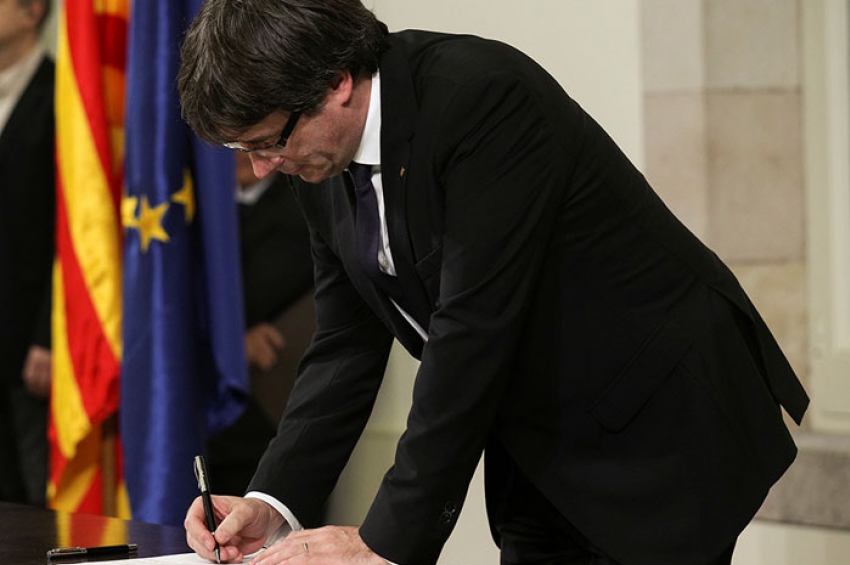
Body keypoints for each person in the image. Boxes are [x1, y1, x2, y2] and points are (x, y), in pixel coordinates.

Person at [177, 1, 810, 564]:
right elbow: (345, 341)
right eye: (244, 150)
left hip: (657, 421)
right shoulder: (316, 157)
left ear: (336, 83)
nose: (263, 167)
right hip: (538, 434)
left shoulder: (480, 96)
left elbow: (472, 327)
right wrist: (274, 500)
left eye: (268, 142)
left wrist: (384, 541)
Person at [206, 152, 314, 497]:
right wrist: (227, 343)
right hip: (201, 405)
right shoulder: (193, 206)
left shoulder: (307, 203)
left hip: (275, 396)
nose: (239, 154)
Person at [0, 0, 54, 507]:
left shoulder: (61, 98)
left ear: (31, 12)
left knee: (36, 496)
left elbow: (75, 233)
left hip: (31, 342)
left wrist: (48, 335)